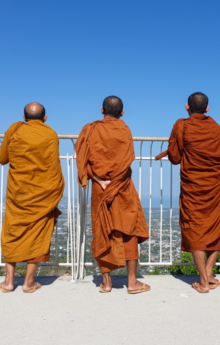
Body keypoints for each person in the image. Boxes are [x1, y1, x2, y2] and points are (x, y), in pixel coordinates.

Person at [156, 92, 220, 293]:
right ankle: (209, 275)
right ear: (207, 109)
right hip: (216, 187)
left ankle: (203, 280)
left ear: (187, 107)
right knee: (215, 228)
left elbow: (175, 157)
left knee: (195, 230)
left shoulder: (181, 125)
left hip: (193, 188)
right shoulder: (217, 128)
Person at [75, 96, 151, 294]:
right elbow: (127, 161)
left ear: (101, 110)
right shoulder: (124, 129)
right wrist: (114, 182)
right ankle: (133, 282)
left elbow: (84, 162)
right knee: (129, 231)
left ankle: (107, 283)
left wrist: (100, 181)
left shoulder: (90, 129)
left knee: (102, 230)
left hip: (100, 189)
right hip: (122, 188)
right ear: (122, 112)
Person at [0, 102, 64, 293]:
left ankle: (9, 282)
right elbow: (52, 165)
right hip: (43, 194)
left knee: (12, 232)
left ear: (24, 117)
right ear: (45, 118)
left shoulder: (15, 130)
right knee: (38, 233)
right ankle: (28, 283)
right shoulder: (50, 134)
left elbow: (2, 159)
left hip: (18, 193)